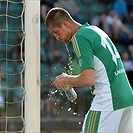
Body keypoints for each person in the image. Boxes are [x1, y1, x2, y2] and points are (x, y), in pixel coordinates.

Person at [45, 7, 133, 132]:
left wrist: (66, 79)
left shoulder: (79, 37)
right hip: (127, 99)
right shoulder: (95, 30)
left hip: (108, 101)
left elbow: (88, 79)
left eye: (56, 32)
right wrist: (71, 81)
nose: (57, 37)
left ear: (65, 24)